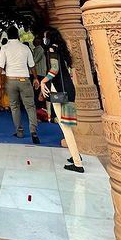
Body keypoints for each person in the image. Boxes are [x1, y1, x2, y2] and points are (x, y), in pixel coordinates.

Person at [40, 28, 84, 173]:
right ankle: (75, 154)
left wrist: (43, 82)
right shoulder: (62, 51)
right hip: (68, 89)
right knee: (68, 123)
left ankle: (77, 163)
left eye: (45, 36)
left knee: (65, 126)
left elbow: (54, 70)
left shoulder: (52, 50)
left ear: (50, 38)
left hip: (60, 92)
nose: (43, 39)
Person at [0, 26, 40, 143]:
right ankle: (33, 131)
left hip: (11, 80)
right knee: (30, 106)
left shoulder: (4, 48)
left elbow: (0, 66)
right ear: (18, 36)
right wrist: (35, 78)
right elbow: (32, 65)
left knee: (15, 107)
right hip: (24, 79)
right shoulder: (25, 48)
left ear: (8, 36)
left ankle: (19, 132)